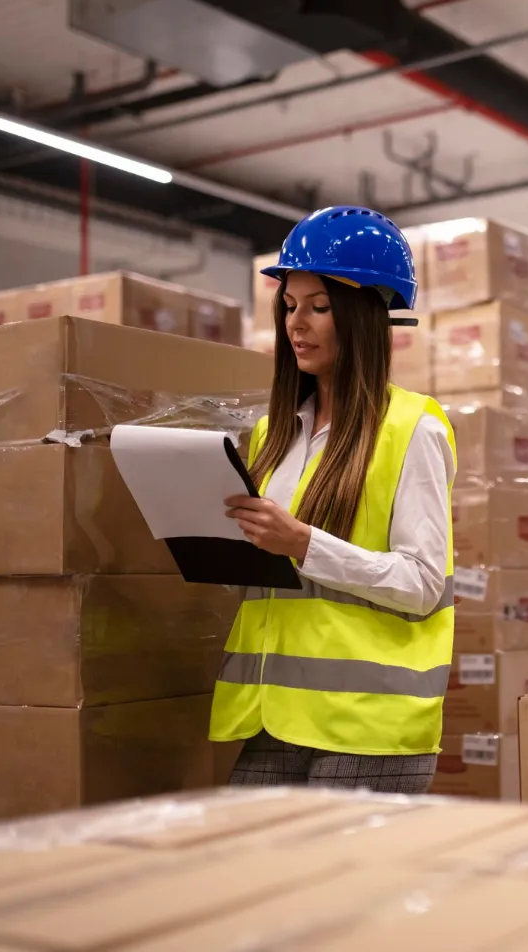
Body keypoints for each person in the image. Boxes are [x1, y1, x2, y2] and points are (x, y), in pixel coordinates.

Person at [211, 206, 455, 792]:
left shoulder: (412, 427)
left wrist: (302, 543)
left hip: (369, 724)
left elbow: (423, 583)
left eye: (319, 307)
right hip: (274, 713)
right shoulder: (274, 433)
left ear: (365, 316)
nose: (298, 324)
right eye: (290, 306)